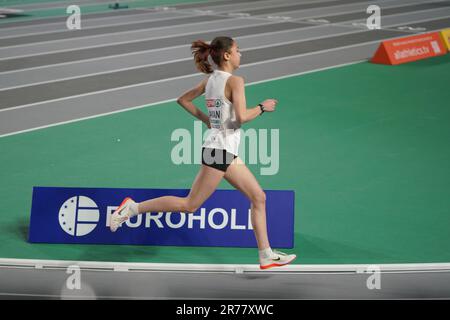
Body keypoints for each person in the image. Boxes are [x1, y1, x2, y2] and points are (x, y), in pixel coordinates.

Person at [110, 36, 296, 270]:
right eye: (238, 50)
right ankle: (132, 208)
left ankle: (266, 254)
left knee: (258, 197)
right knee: (190, 205)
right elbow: (241, 117)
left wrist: (208, 120)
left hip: (223, 150)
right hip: (219, 152)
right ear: (227, 55)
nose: (241, 54)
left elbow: (183, 100)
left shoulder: (209, 80)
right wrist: (262, 107)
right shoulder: (236, 81)